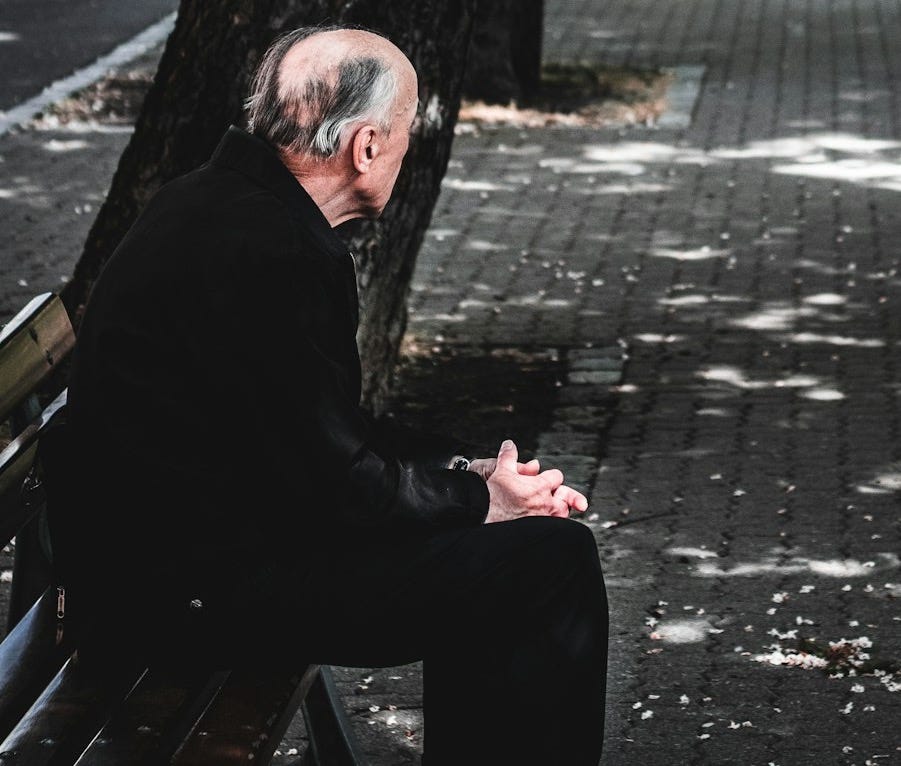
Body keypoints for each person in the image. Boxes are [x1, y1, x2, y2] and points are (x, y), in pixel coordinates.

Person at [48, 24, 608, 765]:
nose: (409, 147)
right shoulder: (276, 252)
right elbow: (334, 488)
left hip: (173, 561)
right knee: (548, 565)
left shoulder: (214, 201)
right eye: (409, 127)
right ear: (367, 145)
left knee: (511, 552)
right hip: (184, 600)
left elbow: (319, 431)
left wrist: (472, 477)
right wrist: (482, 505)